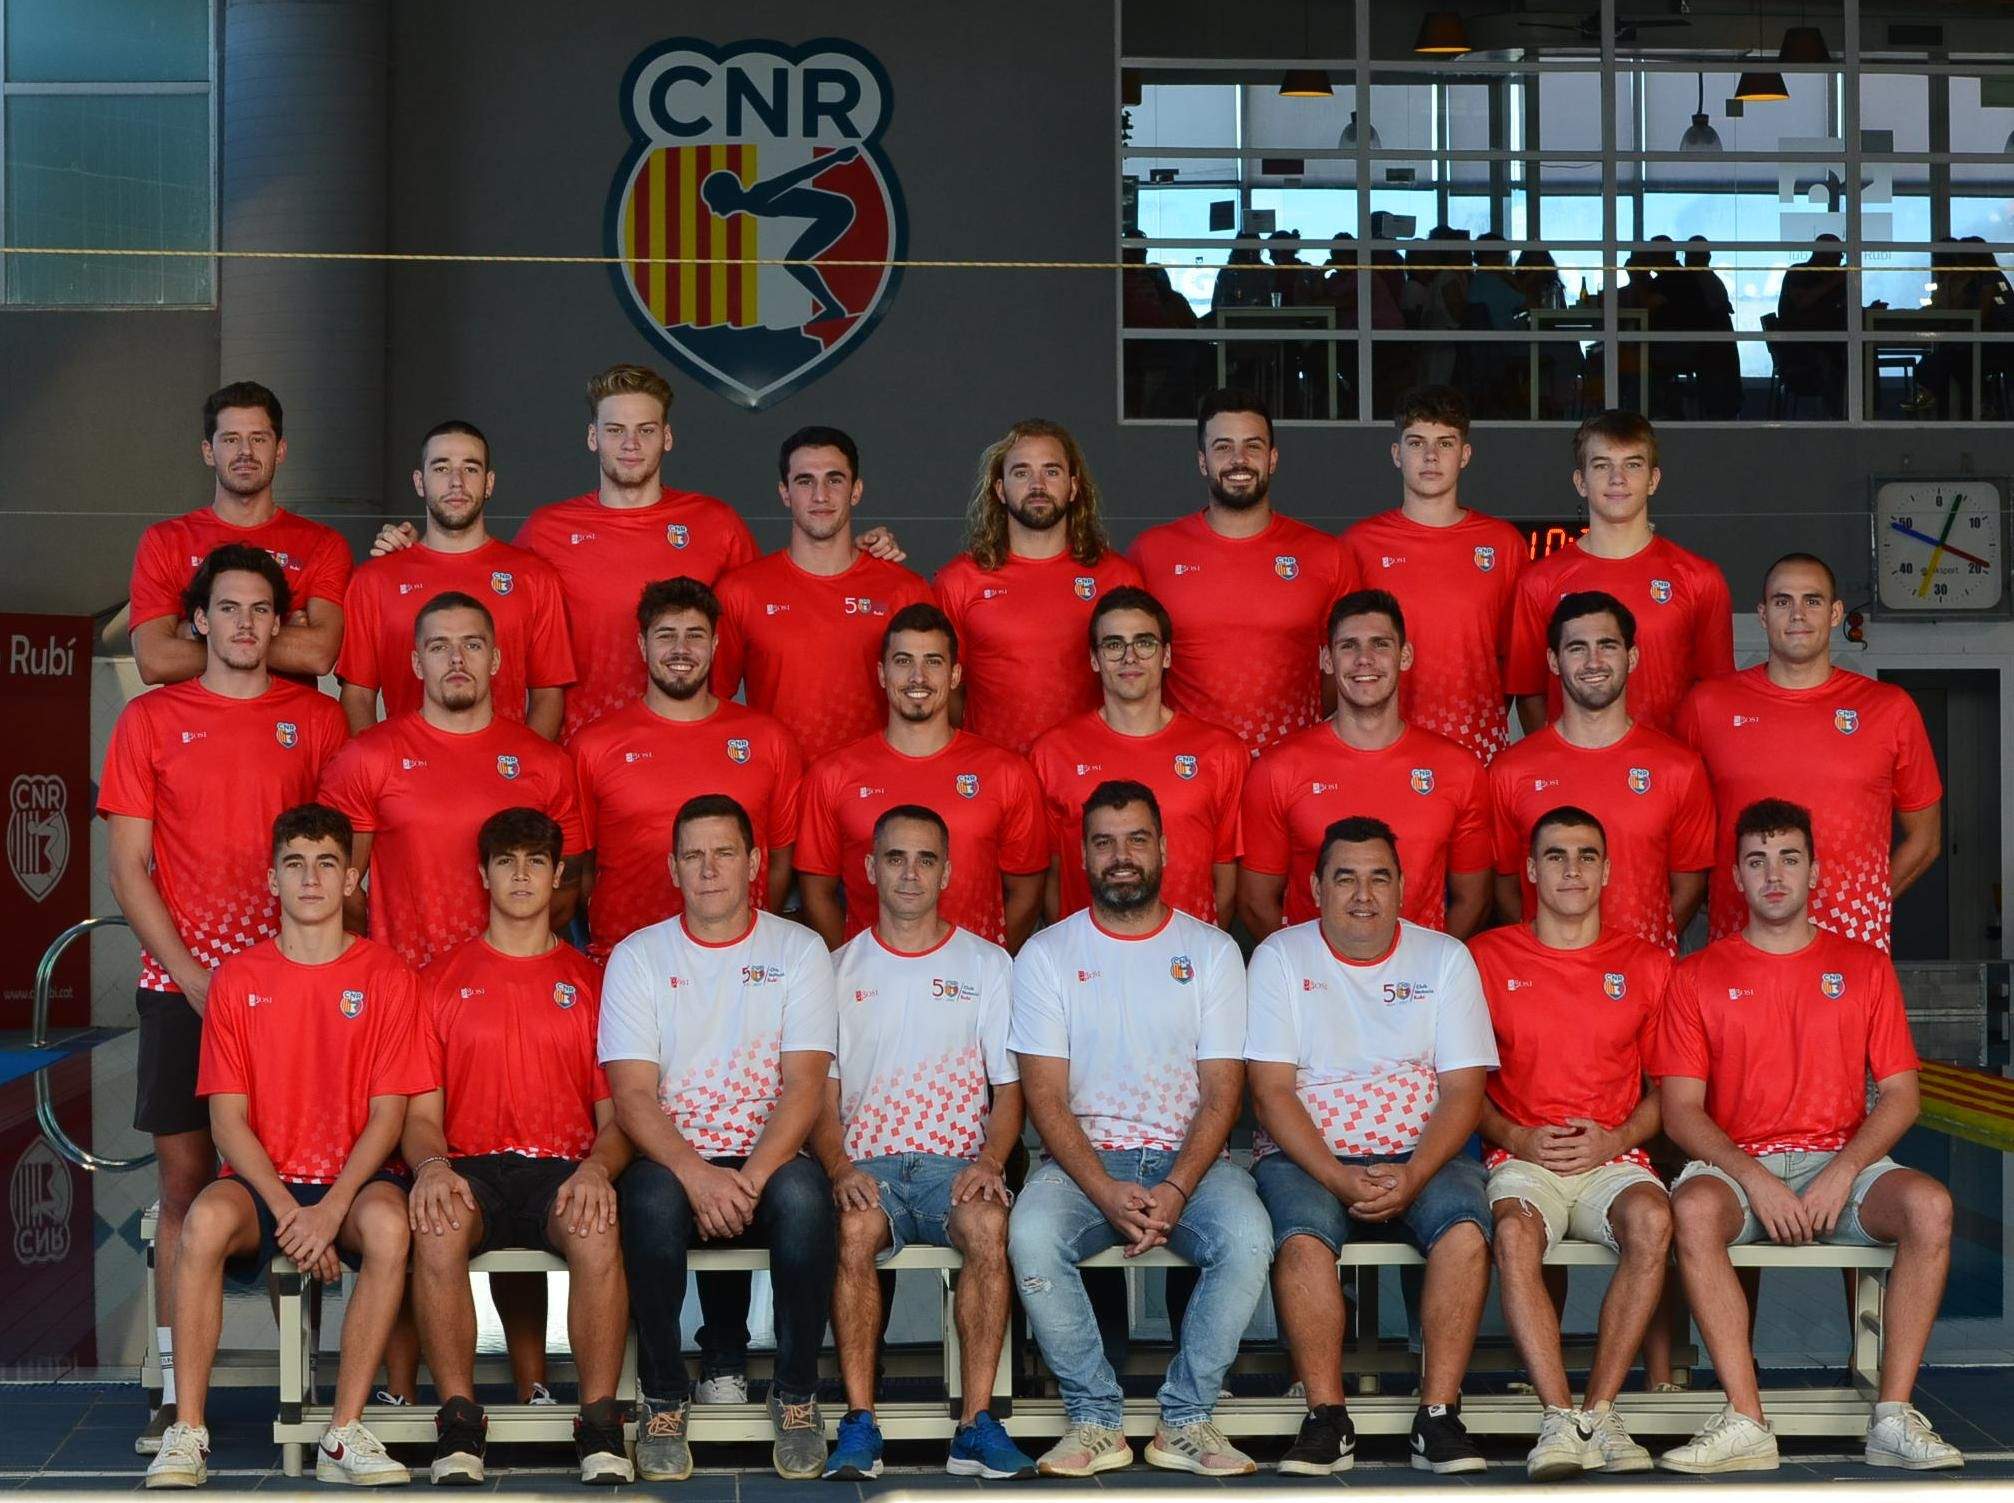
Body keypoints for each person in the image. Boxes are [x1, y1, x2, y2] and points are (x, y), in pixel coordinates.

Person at [100, 544, 348, 1455]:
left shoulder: (317, 722)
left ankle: (316, 1381)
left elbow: (337, 859)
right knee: (184, 1184)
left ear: (281, 624)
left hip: (299, 992)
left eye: (260, 610)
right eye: (227, 608)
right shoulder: (150, 719)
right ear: (196, 619)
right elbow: (129, 870)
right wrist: (200, 977)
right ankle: (175, 1390)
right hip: (183, 987)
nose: (244, 624)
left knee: (305, 1174)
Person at [1653, 799, 1961, 1474]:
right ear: (1735, 874)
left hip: (1840, 1165)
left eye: (1789, 858)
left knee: (1930, 1206)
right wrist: (1757, 1178)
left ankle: (1891, 1416)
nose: (1774, 875)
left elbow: (1903, 1095)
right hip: (1739, 1168)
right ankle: (1746, 1417)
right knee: (1693, 1208)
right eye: (1758, 861)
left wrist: (1844, 1169)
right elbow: (1680, 1110)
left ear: (1815, 871)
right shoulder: (1697, 973)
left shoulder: (1863, 966)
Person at [144, 804, 428, 1489]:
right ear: (271, 879)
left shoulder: (388, 975)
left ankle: (342, 1431)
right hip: (265, 1184)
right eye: (295, 864)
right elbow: (227, 1122)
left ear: (351, 879)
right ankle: (188, 1429)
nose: (310, 878)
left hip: (353, 1185)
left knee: (390, 1225)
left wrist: (329, 1210)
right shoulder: (238, 980)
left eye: (327, 863)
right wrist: (291, 1210)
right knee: (203, 1219)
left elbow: (389, 1115)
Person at [1008, 782, 1270, 1478]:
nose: (1121, 856)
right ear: (1084, 855)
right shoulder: (1046, 953)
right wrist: (1103, 1189)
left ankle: (1185, 1418)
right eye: (1103, 842)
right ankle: (1095, 1418)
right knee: (1030, 1234)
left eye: (1136, 839)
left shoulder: (1212, 951)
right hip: (1083, 1161)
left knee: (1247, 1237)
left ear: (1163, 848)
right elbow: (1047, 1100)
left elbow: (1222, 1094)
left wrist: (1179, 1186)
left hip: (1194, 1161)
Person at [1245, 815, 1496, 1476]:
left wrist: (1413, 1174)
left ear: (1403, 886)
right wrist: (1335, 1175)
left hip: (1424, 1152)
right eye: (1345, 877)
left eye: (1378, 876)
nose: (1363, 893)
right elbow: (1271, 1090)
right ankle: (1328, 1418)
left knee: (1466, 1233)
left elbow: (1464, 1090)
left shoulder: (1445, 957)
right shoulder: (1279, 955)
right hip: (1307, 1154)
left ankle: (1437, 1417)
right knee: (1301, 1239)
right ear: (1316, 886)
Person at [600, 794, 840, 1482]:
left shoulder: (797, 949)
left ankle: (795, 1394)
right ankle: (664, 1397)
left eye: (725, 852)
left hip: (768, 1154)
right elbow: (633, 1096)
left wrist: (752, 1178)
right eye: (694, 854)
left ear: (755, 863)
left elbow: (804, 1085)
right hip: (674, 1158)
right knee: (644, 1204)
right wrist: (697, 1173)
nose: (709, 868)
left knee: (803, 1202)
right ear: (674, 866)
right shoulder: (639, 955)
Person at [403, 808, 631, 1485]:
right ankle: (460, 1423)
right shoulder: (438, 979)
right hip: (471, 1166)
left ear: (560, 873)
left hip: (563, 1168)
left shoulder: (593, 982)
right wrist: (433, 1165)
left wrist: (596, 1167)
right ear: (484, 874)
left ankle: (597, 1425)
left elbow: (619, 1118)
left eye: (537, 860)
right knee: (437, 1225)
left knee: (596, 1231)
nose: (523, 874)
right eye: (507, 861)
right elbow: (420, 1116)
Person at [813, 806, 1037, 1482]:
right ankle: (860, 1423)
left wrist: (991, 1161)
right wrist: (840, 1165)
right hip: (869, 1164)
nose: (910, 873)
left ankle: (975, 1424)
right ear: (869, 867)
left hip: (955, 1164)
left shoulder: (988, 963)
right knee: (850, 1234)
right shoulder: (834, 968)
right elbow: (818, 1100)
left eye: (926, 858)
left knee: (990, 1224)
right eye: (895, 857)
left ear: (949, 869)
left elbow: (1010, 1089)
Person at [372, 364, 759, 742]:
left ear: (667, 437)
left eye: (646, 430)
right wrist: (417, 550)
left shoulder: (716, 524)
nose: (630, 444)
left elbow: (759, 630)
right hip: (576, 747)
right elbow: (483, 583)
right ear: (592, 437)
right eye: (615, 430)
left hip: (689, 742)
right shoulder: (547, 530)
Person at [1470, 807, 1674, 1480]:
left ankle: (1600, 1411)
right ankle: (1559, 1417)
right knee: (1514, 1235)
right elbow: (1461, 1088)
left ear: (1609, 870)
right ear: (1530, 869)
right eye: (1555, 855)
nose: (1572, 869)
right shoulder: (1488, 957)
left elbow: (1668, 1090)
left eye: (1587, 855)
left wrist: (1616, 1135)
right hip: (1520, 1157)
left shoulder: (1645, 963)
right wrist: (1518, 1135)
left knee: (1652, 1220)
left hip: (1612, 1156)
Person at [1674, 553, 1942, 954]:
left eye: (1812, 601)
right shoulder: (1708, 706)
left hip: (1850, 947)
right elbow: (1676, 827)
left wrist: (1866, 905)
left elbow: (1926, 840)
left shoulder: (1889, 709)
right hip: (1739, 942)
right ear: (1763, 615)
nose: (1797, 614)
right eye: (1783, 602)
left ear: (1835, 613)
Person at [317, 592, 586, 971]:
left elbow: (565, 892)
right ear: (417, 662)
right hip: (409, 988)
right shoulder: (367, 757)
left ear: (495, 660)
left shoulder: (547, 762)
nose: (457, 659)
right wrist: (382, 954)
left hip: (506, 988)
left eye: (472, 644)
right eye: (439, 646)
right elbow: (335, 887)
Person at [572, 577, 804, 963]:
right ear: (642, 645)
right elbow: (579, 869)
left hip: (741, 962)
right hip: (628, 963)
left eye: (695, 635)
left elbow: (780, 860)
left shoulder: (770, 740)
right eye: (666, 636)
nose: (681, 649)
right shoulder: (592, 746)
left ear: (714, 645)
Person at [1239, 590, 1492, 940]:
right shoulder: (1278, 768)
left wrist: (1428, 968)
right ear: (1327, 659)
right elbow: (1256, 901)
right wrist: (1306, 969)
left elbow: (1473, 900)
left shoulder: (1459, 769)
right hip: (1316, 986)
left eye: (1380, 644)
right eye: (1348, 646)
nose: (1364, 659)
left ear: (1405, 656)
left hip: (1417, 986)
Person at [797, 604, 1048, 951]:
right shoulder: (832, 775)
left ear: (955, 675)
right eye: (903, 661)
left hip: (972, 989)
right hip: (867, 991)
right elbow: (816, 891)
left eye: (933, 661)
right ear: (882, 674)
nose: (918, 677)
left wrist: (988, 965)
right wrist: (853, 967)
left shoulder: (1007, 773)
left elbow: (1028, 889)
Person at [1490, 591, 1715, 951]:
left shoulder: (1680, 768)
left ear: (1632, 656)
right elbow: (1504, 886)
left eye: (1607, 645)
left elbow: (1688, 884)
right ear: (1553, 660)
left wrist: (1637, 958)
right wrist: (1547, 953)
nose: (1593, 661)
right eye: (1577, 648)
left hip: (1645, 987)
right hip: (1548, 983)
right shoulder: (1509, 771)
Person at [1128, 388, 1348, 752]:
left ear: (1273, 458)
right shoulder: (1151, 553)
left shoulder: (1326, 555)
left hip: (1292, 769)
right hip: (1185, 770)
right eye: (1223, 447)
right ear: (1202, 461)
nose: (1239, 460)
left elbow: (1343, 668)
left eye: (1253, 446)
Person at [711, 426, 936, 763]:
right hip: (781, 791)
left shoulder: (904, 590)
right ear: (784, 493)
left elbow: (937, 707)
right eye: (804, 481)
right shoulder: (740, 592)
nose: (820, 495)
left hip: (877, 796)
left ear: (856, 490)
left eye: (834, 479)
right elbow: (711, 707)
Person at [336, 421, 574, 738]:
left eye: (471, 469)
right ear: (420, 482)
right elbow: (358, 696)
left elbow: (548, 696)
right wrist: (378, 772)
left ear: (489, 483)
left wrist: (525, 775)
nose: (456, 482)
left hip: (505, 777)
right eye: (441, 468)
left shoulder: (535, 577)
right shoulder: (374, 580)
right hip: (407, 779)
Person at [1505, 411, 1733, 735]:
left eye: (1632, 464)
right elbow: (1530, 695)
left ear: (1653, 479)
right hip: (1575, 777)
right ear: (1580, 482)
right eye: (1602, 465)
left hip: (1670, 776)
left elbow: (1714, 693)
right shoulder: (1539, 582)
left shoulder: (1699, 579)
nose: (1617, 478)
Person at [1029, 586, 1245, 926]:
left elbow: (1226, 881)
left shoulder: (1220, 752)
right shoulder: (1052, 753)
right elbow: (1050, 881)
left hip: (1186, 962)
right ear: (1094, 659)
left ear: (1167, 654)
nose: (1130, 657)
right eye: (1114, 645)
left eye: (1144, 643)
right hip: (1088, 963)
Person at [1338, 385, 1527, 763]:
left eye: (1445, 443)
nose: (1430, 456)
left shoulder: (1504, 544)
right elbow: (1342, 653)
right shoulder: (1358, 545)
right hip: (1383, 747)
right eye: (1416, 443)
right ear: (1396, 454)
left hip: (1477, 747)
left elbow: (1516, 661)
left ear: (1465, 455)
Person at [934, 419, 1144, 753]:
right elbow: (946, 692)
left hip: (1092, 777)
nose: (1037, 484)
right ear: (1000, 489)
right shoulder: (959, 580)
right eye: (1021, 472)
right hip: (994, 778)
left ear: (1073, 487)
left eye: (1051, 471)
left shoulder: (1118, 577)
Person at [128, 382, 350, 686]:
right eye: (231, 439)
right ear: (209, 451)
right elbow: (155, 661)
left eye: (258, 439)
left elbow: (319, 654)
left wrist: (194, 633)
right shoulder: (164, 541)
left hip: (289, 727)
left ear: (280, 449)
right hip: (192, 726)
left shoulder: (323, 544)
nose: (245, 451)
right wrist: (283, 632)